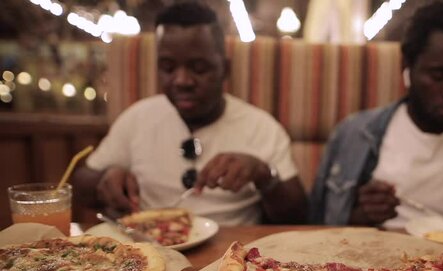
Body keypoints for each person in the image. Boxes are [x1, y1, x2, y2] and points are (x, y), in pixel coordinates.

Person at [73, 2, 307, 225]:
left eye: (199, 68)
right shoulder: (137, 118)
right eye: (168, 67)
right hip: (150, 250)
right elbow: (81, 183)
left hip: (234, 255)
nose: (182, 81)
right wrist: (105, 180)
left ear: (224, 69)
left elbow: (300, 215)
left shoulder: (261, 127)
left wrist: (264, 174)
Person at [309, 1, 443, 227]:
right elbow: (316, 225)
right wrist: (362, 216)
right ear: (407, 65)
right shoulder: (353, 134)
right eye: (439, 74)